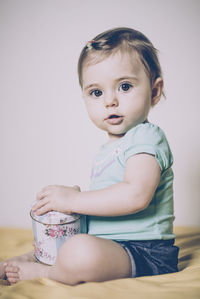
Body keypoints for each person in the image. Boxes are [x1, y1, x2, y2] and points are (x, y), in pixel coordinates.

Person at [1, 27, 179, 285]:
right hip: (111, 246)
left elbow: (136, 195)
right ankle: (28, 261)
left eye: (125, 86)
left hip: (146, 252)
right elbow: (107, 211)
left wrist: (75, 199)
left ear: (154, 91)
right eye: (96, 92)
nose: (110, 101)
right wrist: (69, 218)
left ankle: (46, 272)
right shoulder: (106, 151)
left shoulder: (147, 137)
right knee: (61, 245)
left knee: (79, 252)